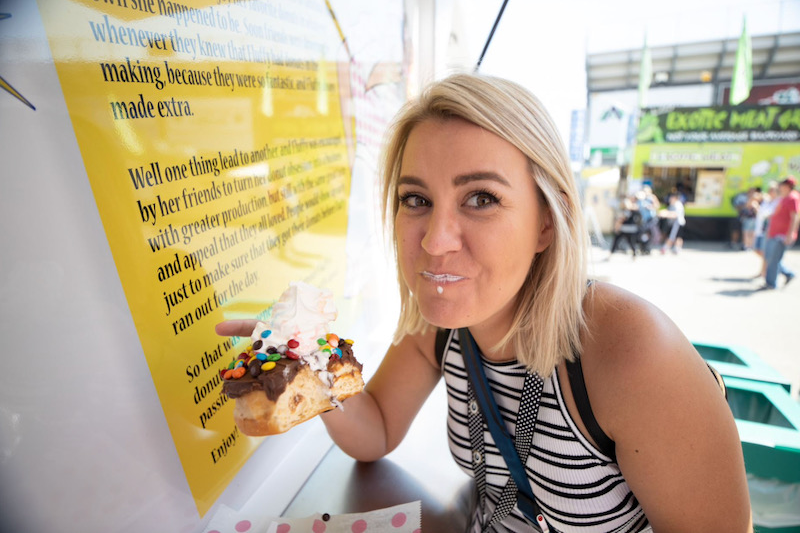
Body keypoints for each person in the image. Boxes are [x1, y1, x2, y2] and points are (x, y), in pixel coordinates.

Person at [217, 74, 751, 532]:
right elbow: (374, 431)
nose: (434, 240)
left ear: (548, 219)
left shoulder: (629, 350)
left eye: (481, 199)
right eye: (416, 200)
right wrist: (310, 357)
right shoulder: (441, 325)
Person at [761, 176, 800, 290]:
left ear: (788, 186)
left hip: (781, 235)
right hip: (773, 233)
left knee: (774, 259)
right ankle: (788, 274)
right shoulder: (784, 197)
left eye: (782, 185)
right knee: (770, 257)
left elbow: (795, 217)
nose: (779, 186)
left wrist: (790, 234)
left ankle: (771, 283)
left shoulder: (793, 198)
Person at [753, 182, 779, 279]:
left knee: (765, 252)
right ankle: (766, 269)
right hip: (760, 229)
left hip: (768, 230)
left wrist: (758, 209)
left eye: (772, 190)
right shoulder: (767, 201)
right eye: (769, 190)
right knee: (757, 250)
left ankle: (766, 271)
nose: (770, 192)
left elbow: (769, 215)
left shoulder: (778, 202)